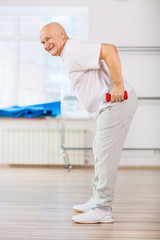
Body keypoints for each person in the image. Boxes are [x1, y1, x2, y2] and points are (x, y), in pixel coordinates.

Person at [40, 22, 138, 224]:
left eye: (48, 39)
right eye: (42, 42)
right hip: (107, 108)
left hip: (115, 104)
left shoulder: (73, 49)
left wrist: (118, 85)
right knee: (100, 151)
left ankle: (103, 208)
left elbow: (109, 50)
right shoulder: (70, 51)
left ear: (61, 34)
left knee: (104, 155)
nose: (45, 45)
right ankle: (97, 201)